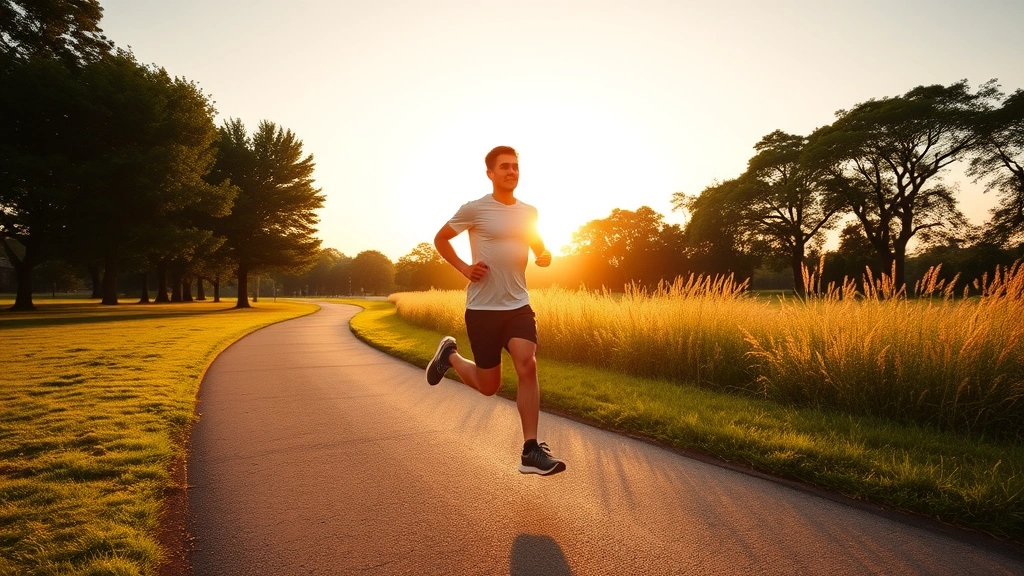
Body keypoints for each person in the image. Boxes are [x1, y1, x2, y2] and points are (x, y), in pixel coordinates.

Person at [426, 145, 566, 476]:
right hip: (482, 309)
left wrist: (544, 255)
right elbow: (441, 239)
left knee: (527, 364)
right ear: (490, 173)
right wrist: (463, 267)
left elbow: (537, 245)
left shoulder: (529, 212)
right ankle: (451, 357)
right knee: (489, 386)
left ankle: (530, 450)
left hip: (517, 305)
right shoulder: (475, 209)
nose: (511, 172)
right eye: (504, 167)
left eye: (515, 167)